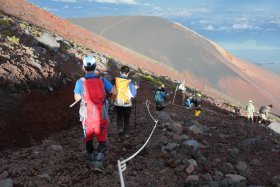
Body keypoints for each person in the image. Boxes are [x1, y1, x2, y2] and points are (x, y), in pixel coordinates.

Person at [74, 56, 117, 172]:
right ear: (95, 66)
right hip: (100, 115)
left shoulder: (80, 82)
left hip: (87, 117)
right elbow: (114, 92)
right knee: (102, 139)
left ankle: (90, 159)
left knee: (88, 138)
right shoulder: (103, 80)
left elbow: (77, 97)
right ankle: (98, 161)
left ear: (84, 68)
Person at [113, 65, 138, 135]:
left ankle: (120, 129)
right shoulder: (130, 82)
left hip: (117, 102)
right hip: (127, 104)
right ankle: (126, 132)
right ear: (128, 73)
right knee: (126, 118)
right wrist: (135, 88)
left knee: (119, 115)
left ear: (120, 71)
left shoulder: (115, 80)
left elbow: (111, 90)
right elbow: (134, 94)